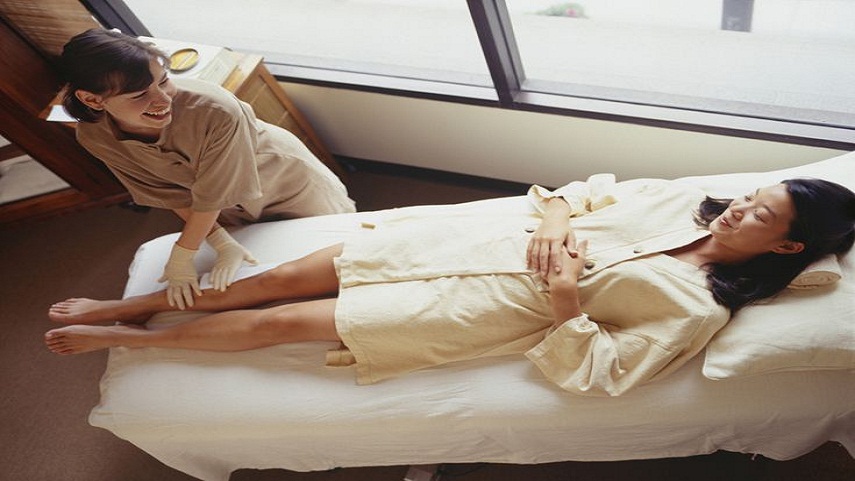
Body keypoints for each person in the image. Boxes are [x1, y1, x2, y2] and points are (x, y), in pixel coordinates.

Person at [44, 175, 855, 396]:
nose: (737, 208)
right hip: (465, 244)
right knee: (280, 275)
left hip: (470, 309)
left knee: (280, 321)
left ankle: (121, 338)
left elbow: (600, 372)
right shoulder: (679, 202)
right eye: (750, 195)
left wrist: (566, 295)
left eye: (759, 214)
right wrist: (552, 222)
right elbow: (580, 191)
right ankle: (129, 304)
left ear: (786, 246)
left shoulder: (698, 309)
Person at [58, 28, 355, 309]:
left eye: (164, 81)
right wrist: (220, 240)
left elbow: (213, 194)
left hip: (282, 178)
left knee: (335, 252)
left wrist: (183, 253)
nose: (163, 99)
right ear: (92, 99)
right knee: (272, 266)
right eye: (139, 95)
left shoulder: (216, 110)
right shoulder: (94, 136)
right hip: (221, 206)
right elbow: (167, 193)